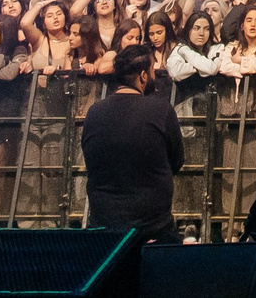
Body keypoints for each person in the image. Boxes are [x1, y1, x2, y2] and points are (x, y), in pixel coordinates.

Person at [79, 42, 184, 241]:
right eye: (152, 71)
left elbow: (90, 159)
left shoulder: (94, 111)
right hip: (153, 227)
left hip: (104, 225)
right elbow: (177, 162)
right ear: (143, 76)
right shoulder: (161, 110)